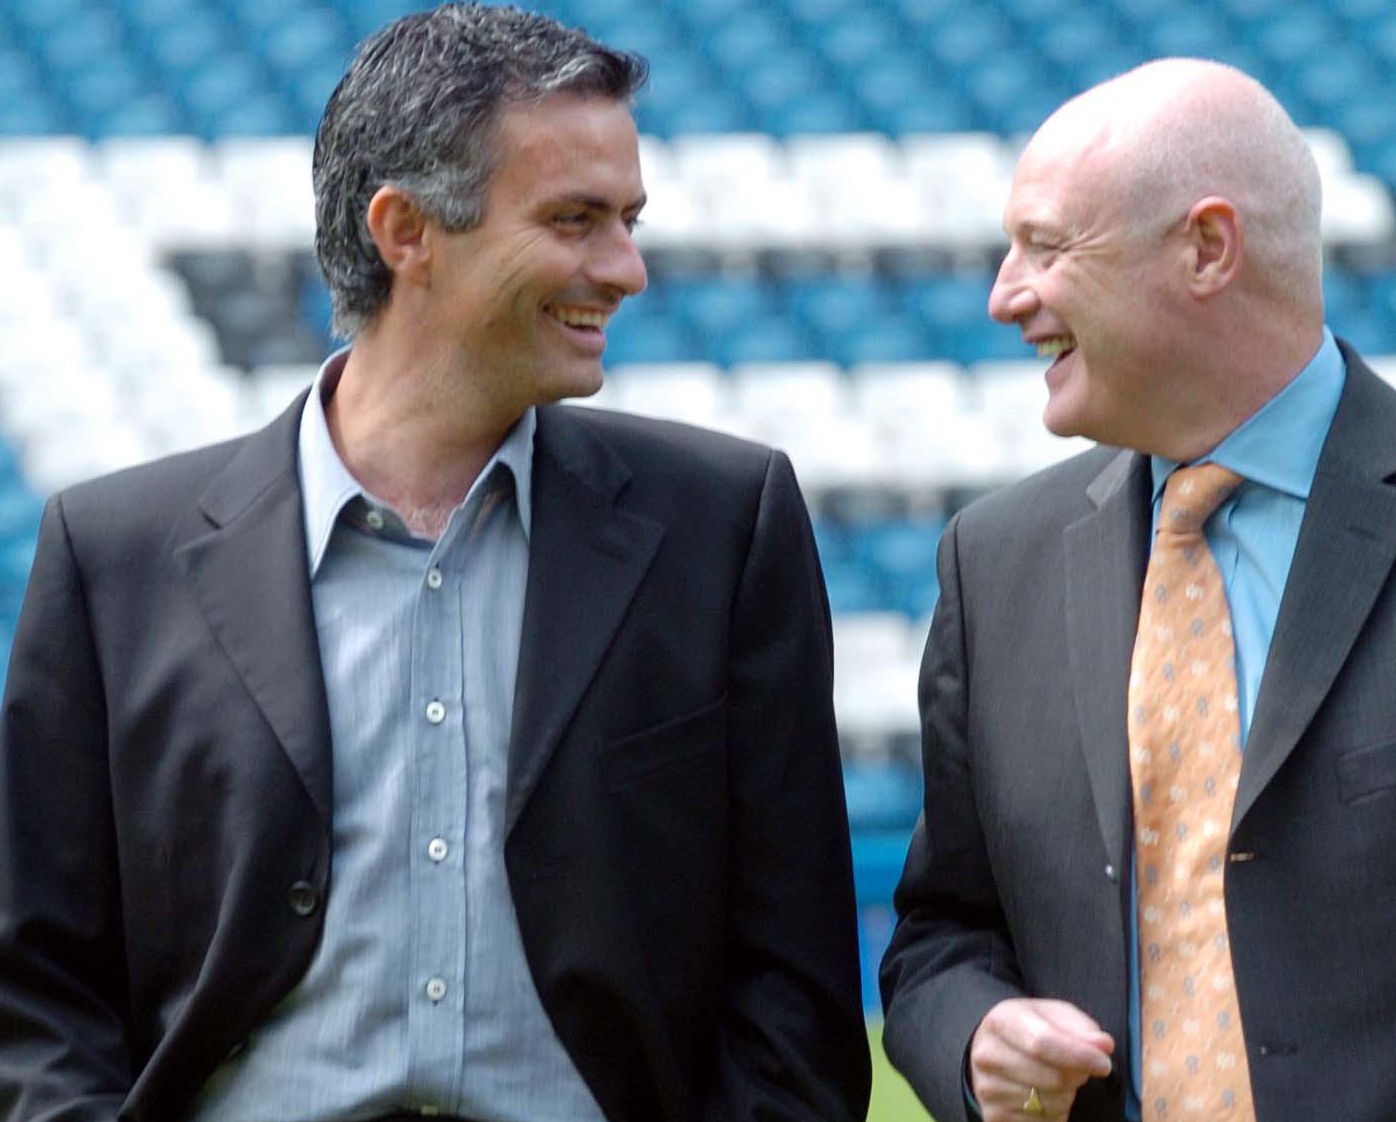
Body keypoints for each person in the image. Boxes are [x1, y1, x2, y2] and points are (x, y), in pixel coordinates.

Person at [0, 6, 870, 1121]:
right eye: (575, 220)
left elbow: (790, 991)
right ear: (406, 231)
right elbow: (36, 996)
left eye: (628, 220)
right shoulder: (112, 557)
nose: (627, 269)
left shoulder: (726, 528)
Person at [878, 57, 1396, 1122]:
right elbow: (941, 939)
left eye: (1044, 246)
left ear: (1206, 248)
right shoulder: (993, 564)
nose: (1003, 295)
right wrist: (977, 1034)